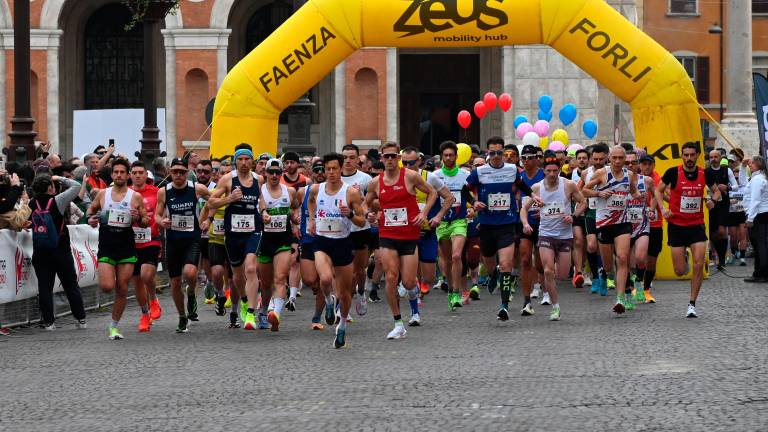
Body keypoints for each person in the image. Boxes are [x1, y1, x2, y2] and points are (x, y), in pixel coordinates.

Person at [365, 142, 437, 338]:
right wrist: (369, 214)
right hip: (387, 234)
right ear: (381, 159)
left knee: (407, 282)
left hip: (409, 236)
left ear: (398, 158)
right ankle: (398, 324)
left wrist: (424, 213)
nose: (389, 159)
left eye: (393, 156)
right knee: (390, 277)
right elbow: (365, 204)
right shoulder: (375, 182)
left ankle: (414, 307)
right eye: (386, 156)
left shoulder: (411, 176)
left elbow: (433, 193)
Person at [468, 138, 541, 321]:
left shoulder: (511, 170)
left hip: (507, 223)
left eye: (500, 153)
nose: (496, 156)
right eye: (492, 153)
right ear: (487, 154)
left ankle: (504, 306)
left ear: (504, 154)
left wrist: (533, 195)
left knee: (507, 264)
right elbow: (464, 190)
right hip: (486, 224)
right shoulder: (479, 172)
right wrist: (474, 202)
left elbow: (522, 185)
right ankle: (493, 274)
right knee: (490, 260)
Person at [654, 143, 721, 317]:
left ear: (698, 155)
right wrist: (663, 209)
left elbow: (717, 192)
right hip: (676, 226)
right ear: (682, 156)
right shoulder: (672, 173)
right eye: (686, 155)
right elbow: (658, 190)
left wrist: (712, 200)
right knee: (680, 271)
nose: (689, 158)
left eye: (692, 155)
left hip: (696, 226)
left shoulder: (704, 173)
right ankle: (684, 256)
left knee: (699, 265)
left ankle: (692, 304)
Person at [308, 153, 367, 348]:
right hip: (322, 241)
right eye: (328, 169)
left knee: (345, 292)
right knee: (324, 279)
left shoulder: (350, 193)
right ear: (323, 170)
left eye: (334, 169)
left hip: (342, 243)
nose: (331, 172)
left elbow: (362, 220)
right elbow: (310, 203)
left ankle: (341, 327)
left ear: (341, 169)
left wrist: (349, 214)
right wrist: (311, 220)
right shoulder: (317, 189)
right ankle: (328, 300)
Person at [87, 159, 149, 339]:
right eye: (116, 172)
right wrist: (91, 219)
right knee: (107, 286)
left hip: (126, 247)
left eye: (123, 172)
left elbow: (145, 222)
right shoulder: (102, 194)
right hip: (107, 246)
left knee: (122, 288)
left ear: (128, 175)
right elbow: (90, 212)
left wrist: (138, 218)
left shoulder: (135, 196)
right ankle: (118, 320)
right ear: (112, 174)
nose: (120, 175)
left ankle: (113, 327)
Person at [521, 152, 586, 320]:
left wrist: (574, 216)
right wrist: (526, 224)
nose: (551, 174)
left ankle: (552, 288)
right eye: (548, 170)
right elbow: (524, 209)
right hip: (546, 235)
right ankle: (555, 307)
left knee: (562, 274)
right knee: (548, 270)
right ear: (544, 171)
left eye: (554, 171)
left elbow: (583, 202)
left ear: (559, 171)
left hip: (564, 235)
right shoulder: (537, 188)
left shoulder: (569, 185)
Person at [208, 145, 266, 330]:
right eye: (240, 159)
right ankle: (242, 300)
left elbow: (261, 200)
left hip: (253, 229)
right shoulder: (227, 179)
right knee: (237, 276)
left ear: (252, 161)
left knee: (251, 268)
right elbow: (211, 201)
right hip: (232, 232)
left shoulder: (259, 179)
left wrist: (264, 212)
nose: (243, 163)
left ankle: (250, 313)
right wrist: (230, 199)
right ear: (235, 161)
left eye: (247, 159)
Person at [582, 146, 641, 314]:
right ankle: (605, 273)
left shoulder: (629, 175)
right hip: (604, 223)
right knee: (609, 265)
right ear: (609, 158)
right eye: (614, 158)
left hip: (623, 222)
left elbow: (633, 190)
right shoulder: (602, 173)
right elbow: (584, 190)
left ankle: (620, 298)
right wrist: (598, 194)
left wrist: (637, 196)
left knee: (623, 258)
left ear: (624, 159)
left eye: (620, 158)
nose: (617, 161)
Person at [154, 158, 211, 332]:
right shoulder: (164, 192)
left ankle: (192, 293)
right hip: (172, 241)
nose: (178, 175)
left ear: (187, 173)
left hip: (192, 239)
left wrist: (208, 218)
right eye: (175, 172)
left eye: (182, 172)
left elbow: (214, 201)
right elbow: (156, 215)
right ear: (170, 172)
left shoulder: (197, 189)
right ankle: (181, 316)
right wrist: (162, 221)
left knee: (190, 272)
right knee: (175, 282)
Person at [30, 174, 87, 331]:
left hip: (40, 251)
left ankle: (49, 322)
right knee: (70, 285)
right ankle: (80, 319)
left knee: (44, 287)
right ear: (50, 187)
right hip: (60, 249)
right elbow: (76, 186)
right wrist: (59, 177)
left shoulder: (31, 203)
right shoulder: (57, 201)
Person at [401, 147, 453, 298]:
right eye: (404, 163)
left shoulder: (430, 178)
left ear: (419, 161)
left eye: (411, 163)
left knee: (429, 277)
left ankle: (420, 286)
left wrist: (438, 216)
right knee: (411, 269)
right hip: (407, 232)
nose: (407, 167)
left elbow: (449, 198)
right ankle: (413, 295)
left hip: (427, 230)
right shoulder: (397, 178)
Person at [258, 158, 300, 331]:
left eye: (277, 172)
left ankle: (276, 313)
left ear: (281, 173)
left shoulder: (289, 191)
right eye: (271, 172)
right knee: (266, 283)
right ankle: (263, 312)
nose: (274, 175)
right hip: (264, 240)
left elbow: (295, 207)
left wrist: (295, 219)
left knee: (280, 278)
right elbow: (259, 209)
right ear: (266, 173)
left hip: (283, 240)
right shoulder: (260, 191)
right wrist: (264, 214)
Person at [434, 141, 473, 308]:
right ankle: (451, 290)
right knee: (448, 260)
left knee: (457, 256)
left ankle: (457, 293)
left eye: (451, 155)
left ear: (456, 157)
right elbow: (431, 198)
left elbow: (472, 196)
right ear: (442, 158)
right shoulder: (434, 176)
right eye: (445, 155)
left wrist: (473, 209)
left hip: (459, 220)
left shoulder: (465, 175)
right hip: (442, 222)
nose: (448, 158)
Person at [341, 144, 374, 315]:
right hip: (340, 230)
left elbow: (373, 201)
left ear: (358, 159)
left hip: (360, 228)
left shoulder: (365, 179)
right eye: (345, 157)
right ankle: (343, 303)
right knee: (342, 270)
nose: (348, 161)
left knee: (359, 270)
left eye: (352, 157)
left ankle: (361, 292)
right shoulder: (334, 178)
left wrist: (369, 212)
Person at [129, 161, 162, 332]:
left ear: (145, 175)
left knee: (146, 275)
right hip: (130, 242)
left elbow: (163, 210)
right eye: (134, 172)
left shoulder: (156, 192)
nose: (137, 175)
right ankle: (144, 314)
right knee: (137, 282)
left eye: (140, 172)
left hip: (151, 239)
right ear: (130, 175)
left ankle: (154, 299)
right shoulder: (126, 193)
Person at [297, 160, 327, 329]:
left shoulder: (333, 191)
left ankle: (317, 317)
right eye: (317, 170)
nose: (320, 173)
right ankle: (326, 294)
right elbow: (294, 208)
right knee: (309, 280)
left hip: (326, 241)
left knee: (324, 279)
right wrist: (295, 222)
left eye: (323, 170)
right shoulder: (303, 192)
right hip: (308, 239)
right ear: (311, 173)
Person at [624, 150, 656, 308]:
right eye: (627, 163)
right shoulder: (617, 181)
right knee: (625, 262)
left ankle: (639, 282)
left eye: (633, 162)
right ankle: (628, 292)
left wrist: (652, 208)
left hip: (642, 224)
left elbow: (656, 195)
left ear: (638, 163)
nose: (630, 165)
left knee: (641, 258)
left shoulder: (647, 180)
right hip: (623, 226)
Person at [518, 145, 546, 311]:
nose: (527, 161)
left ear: (537, 159)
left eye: (530, 157)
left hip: (544, 224)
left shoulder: (544, 175)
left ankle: (545, 290)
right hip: (524, 224)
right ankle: (526, 300)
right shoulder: (519, 178)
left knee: (542, 263)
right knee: (526, 259)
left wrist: (545, 212)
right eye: (524, 158)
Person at [578, 143, 609, 294]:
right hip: (591, 211)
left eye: (601, 159)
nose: (597, 162)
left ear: (606, 158)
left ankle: (604, 276)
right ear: (591, 159)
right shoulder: (586, 174)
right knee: (591, 246)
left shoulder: (611, 172)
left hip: (607, 212)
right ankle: (595, 276)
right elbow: (581, 192)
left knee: (604, 247)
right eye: (595, 159)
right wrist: (596, 194)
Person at [705, 149, 738, 270]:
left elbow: (736, 186)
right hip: (711, 204)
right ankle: (717, 257)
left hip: (723, 204)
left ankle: (722, 259)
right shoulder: (706, 172)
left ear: (720, 158)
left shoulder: (726, 170)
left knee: (721, 231)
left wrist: (727, 187)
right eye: (711, 157)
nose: (713, 159)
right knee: (713, 233)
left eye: (715, 157)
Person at [638, 154, 662, 303]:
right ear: (640, 165)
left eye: (649, 164)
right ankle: (636, 284)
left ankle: (646, 290)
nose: (647, 167)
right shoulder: (634, 178)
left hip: (655, 223)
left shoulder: (656, 177)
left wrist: (651, 210)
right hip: (637, 224)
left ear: (654, 165)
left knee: (652, 260)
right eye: (644, 164)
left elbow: (655, 195)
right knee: (639, 258)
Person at [745, 156, 768, 282]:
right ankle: (760, 272)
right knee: (761, 244)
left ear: (758, 164)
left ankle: (761, 273)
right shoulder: (761, 177)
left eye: (752, 163)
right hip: (763, 213)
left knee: (760, 245)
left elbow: (755, 200)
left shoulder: (758, 179)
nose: (750, 164)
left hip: (758, 215)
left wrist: (750, 219)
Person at [726, 153, 748, 266]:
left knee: (743, 235)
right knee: (733, 237)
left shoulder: (744, 185)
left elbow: (747, 196)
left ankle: (743, 257)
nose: (736, 178)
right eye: (734, 177)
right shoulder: (728, 185)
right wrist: (729, 201)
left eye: (737, 177)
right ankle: (735, 254)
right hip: (731, 213)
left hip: (742, 213)